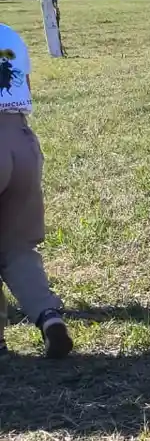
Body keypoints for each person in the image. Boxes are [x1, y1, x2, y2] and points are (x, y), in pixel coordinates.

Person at [0, 23, 73, 359]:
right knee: (17, 246)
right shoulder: (9, 34)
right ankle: (48, 315)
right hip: (21, 142)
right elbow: (23, 88)